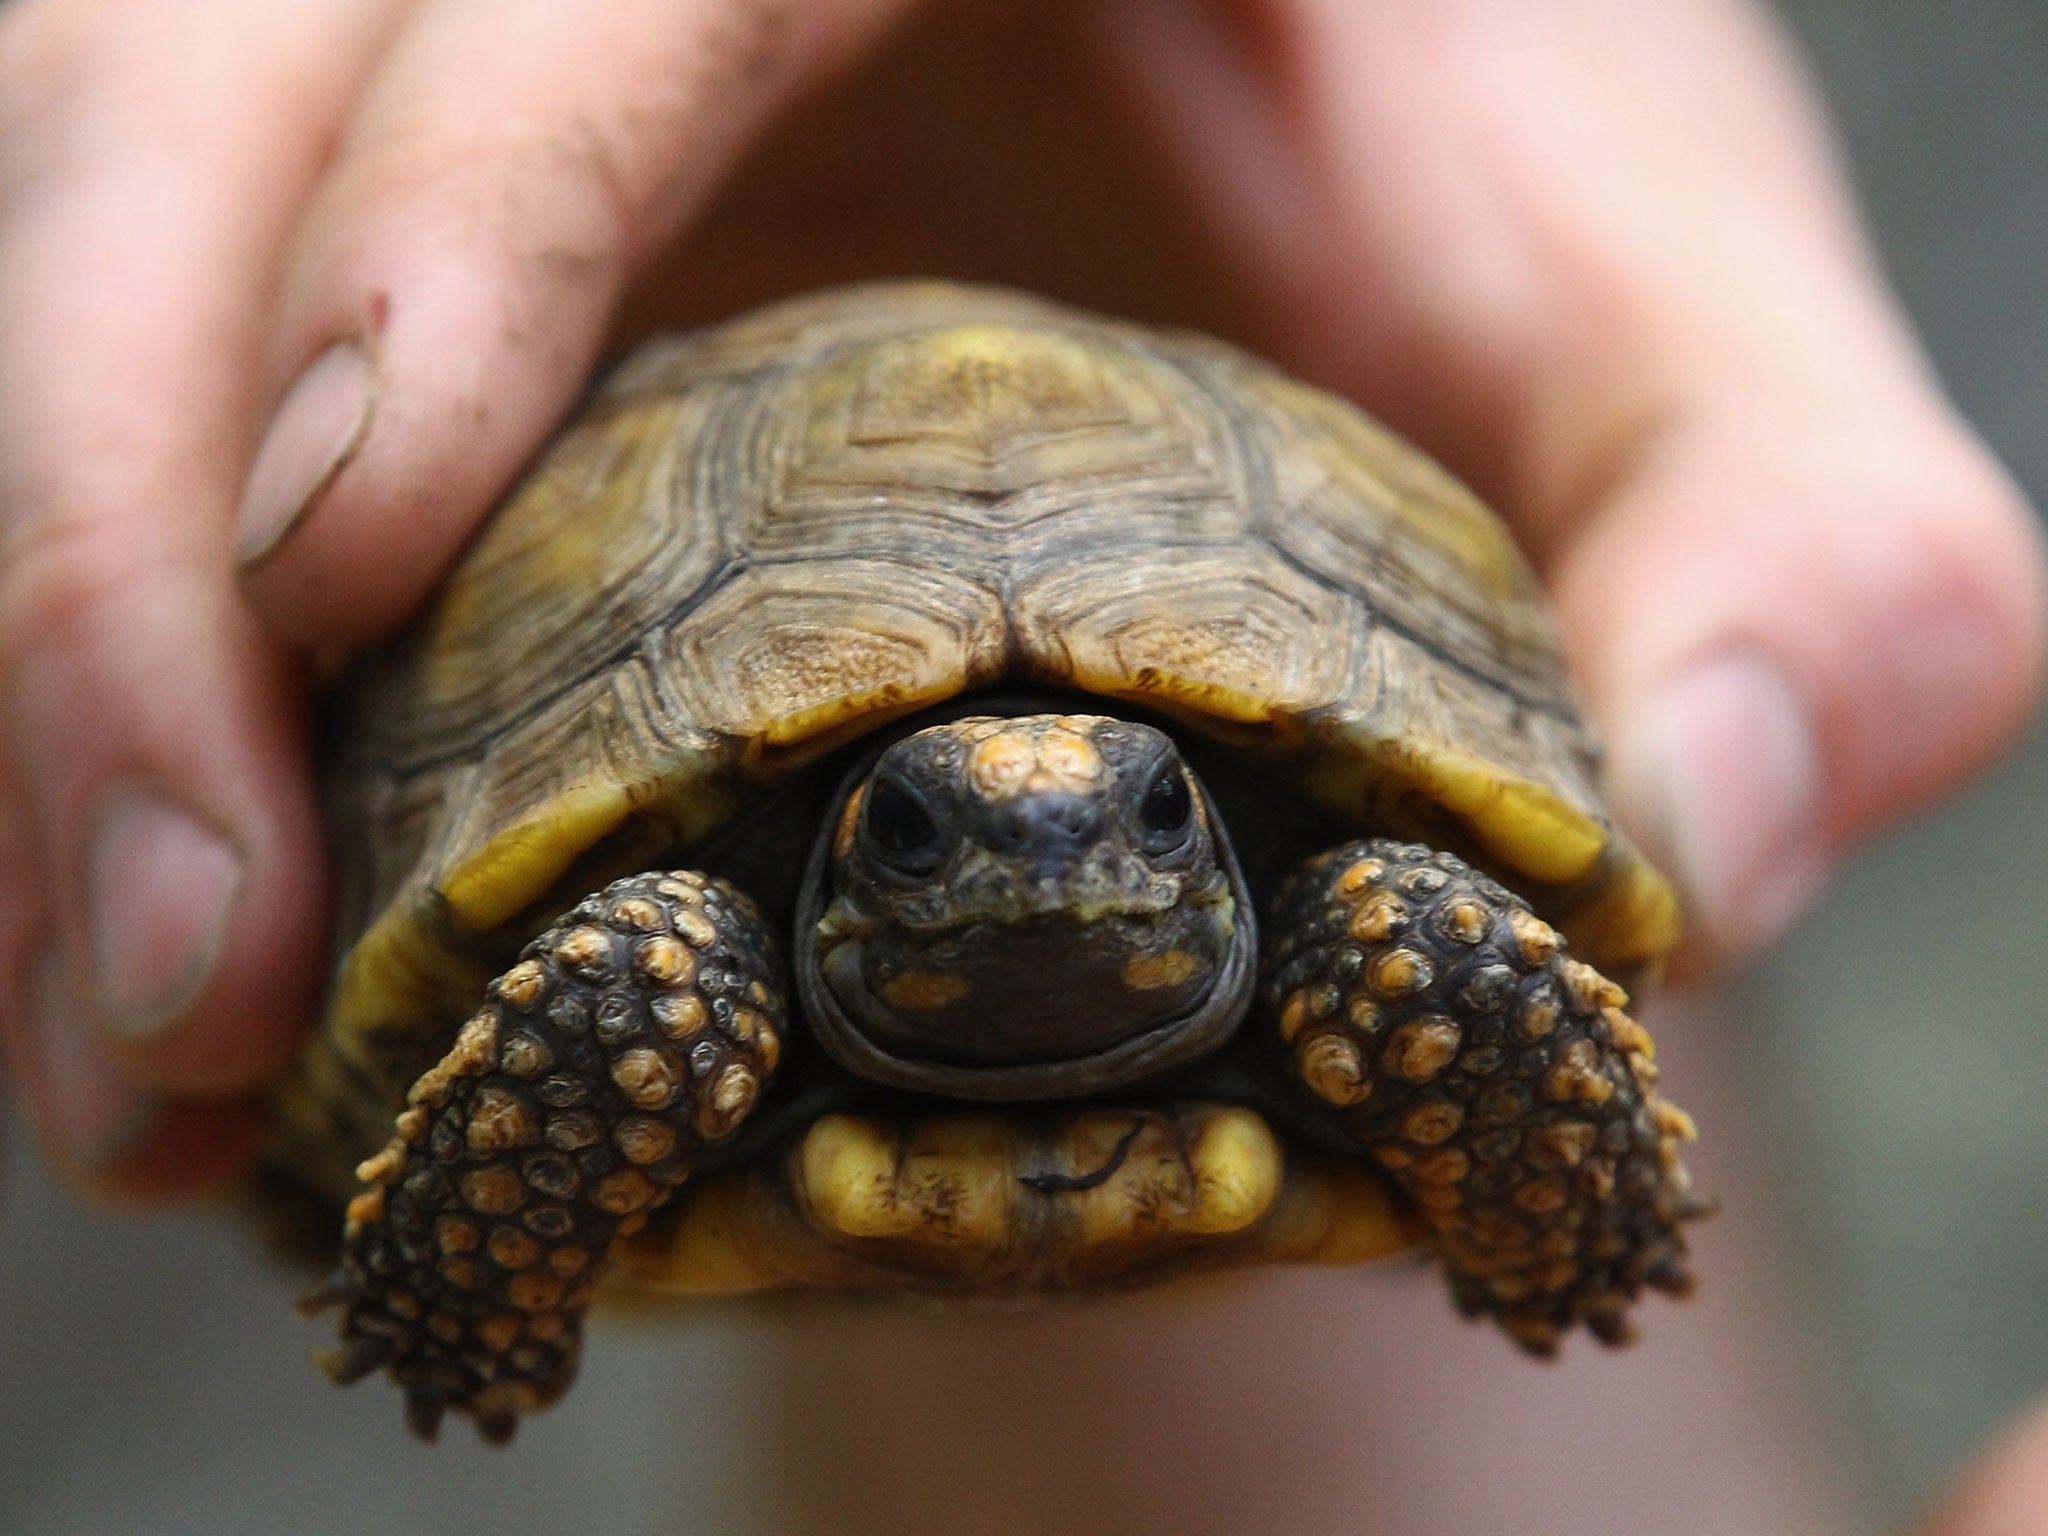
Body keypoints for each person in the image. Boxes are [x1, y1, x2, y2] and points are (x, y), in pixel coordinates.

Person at [0, 0, 2040, 1524]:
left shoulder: (1353, 913)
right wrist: (450, 1250)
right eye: (912, 834)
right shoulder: (693, 949)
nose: (1054, 861)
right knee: (646, 972)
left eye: (1157, 813)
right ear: (841, 853)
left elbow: (1457, 960)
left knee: (1421, 933)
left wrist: (1556, 1196)